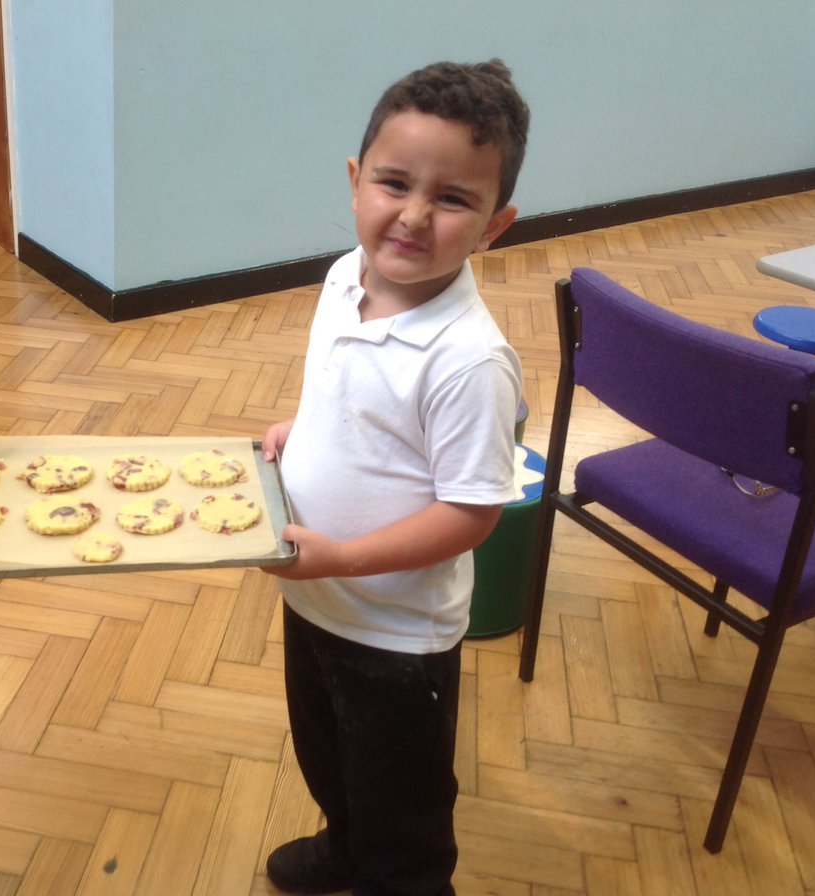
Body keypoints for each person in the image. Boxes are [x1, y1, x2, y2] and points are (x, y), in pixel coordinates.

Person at [260, 60, 530, 896]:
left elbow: (472, 513)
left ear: (497, 223)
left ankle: (388, 871)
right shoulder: (348, 275)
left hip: (396, 640)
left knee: (402, 811)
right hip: (314, 601)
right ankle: (344, 846)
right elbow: (348, 395)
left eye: (452, 199)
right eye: (393, 183)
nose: (413, 216)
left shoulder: (470, 362)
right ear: (354, 181)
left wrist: (341, 556)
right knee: (327, 755)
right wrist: (302, 430)